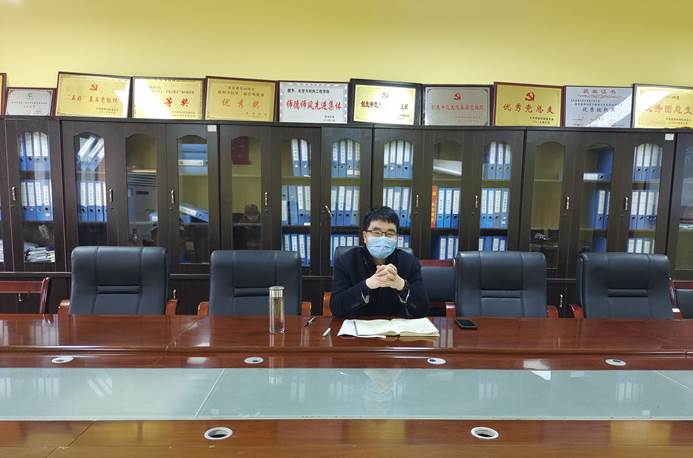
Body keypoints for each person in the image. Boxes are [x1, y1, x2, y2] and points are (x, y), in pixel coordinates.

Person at [329, 206, 429, 317]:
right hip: (358, 325)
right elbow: (336, 308)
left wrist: (401, 285)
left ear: (396, 238)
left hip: (395, 326)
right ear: (365, 236)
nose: (383, 238)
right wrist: (366, 285)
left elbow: (423, 309)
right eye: (376, 232)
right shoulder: (345, 261)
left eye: (390, 233)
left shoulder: (409, 262)